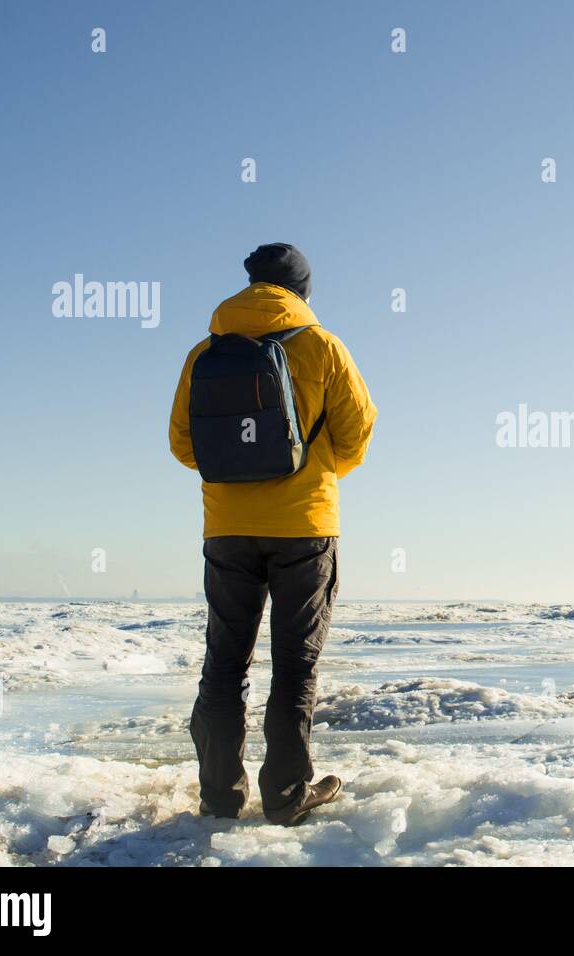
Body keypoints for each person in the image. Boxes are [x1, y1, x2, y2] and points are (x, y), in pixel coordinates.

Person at [169, 243, 377, 825]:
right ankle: (286, 797)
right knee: (294, 666)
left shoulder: (204, 353)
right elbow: (358, 433)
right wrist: (311, 473)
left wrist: (239, 476)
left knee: (224, 664)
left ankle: (219, 797)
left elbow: (184, 445)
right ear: (302, 291)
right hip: (305, 529)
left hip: (228, 530)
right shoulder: (323, 345)